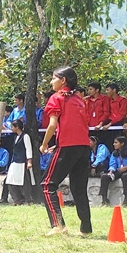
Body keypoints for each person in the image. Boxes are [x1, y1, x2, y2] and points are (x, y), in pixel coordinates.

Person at [40, 66, 92, 236]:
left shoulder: (57, 98)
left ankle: (58, 225)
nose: (51, 82)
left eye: (53, 78)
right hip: (83, 147)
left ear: (63, 81)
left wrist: (44, 144)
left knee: (48, 184)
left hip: (67, 146)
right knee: (79, 188)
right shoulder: (79, 100)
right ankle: (86, 228)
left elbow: (52, 125)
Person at [99, 136, 127, 207]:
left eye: (116, 142)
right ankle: (104, 200)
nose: (114, 144)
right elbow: (112, 164)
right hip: (119, 170)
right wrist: (111, 172)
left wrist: (126, 168)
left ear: (122, 143)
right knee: (105, 177)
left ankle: (126, 199)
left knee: (125, 176)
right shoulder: (114, 153)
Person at [6, 120, 34, 206]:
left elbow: (28, 149)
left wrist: (29, 161)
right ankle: (17, 199)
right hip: (15, 161)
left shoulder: (25, 136)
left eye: (12, 127)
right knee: (10, 180)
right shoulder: (15, 137)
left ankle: (27, 199)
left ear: (17, 127)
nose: (11, 128)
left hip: (22, 162)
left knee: (24, 182)